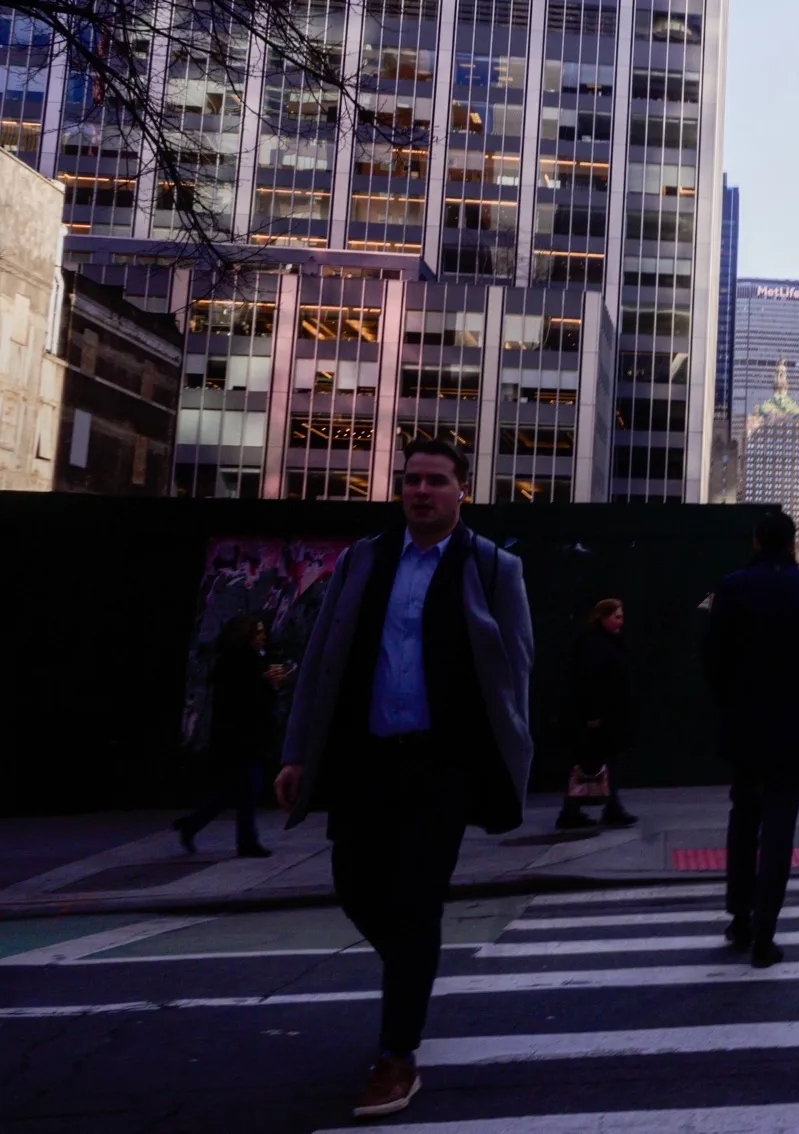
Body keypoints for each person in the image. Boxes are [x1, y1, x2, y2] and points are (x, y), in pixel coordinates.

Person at [273, 439, 533, 1121]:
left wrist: (512, 755)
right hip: (366, 761)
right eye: (412, 480)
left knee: (417, 901)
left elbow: (516, 670)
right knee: (356, 886)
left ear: (461, 491)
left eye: (437, 481)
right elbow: (323, 658)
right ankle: (410, 971)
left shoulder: (492, 566)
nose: (422, 491)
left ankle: (396, 1055)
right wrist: (297, 752)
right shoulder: (362, 560)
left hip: (441, 766)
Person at [700, 510, 799, 968]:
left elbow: (712, 657)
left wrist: (728, 700)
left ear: (758, 541)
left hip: (743, 722)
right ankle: (765, 932)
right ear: (793, 544)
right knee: (780, 829)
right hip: (790, 724)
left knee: (743, 818)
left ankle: (739, 917)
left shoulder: (732, 588)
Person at [174, 614, 284, 858]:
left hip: (244, 736)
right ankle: (245, 841)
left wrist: (270, 684)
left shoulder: (252, 661)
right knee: (247, 788)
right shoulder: (236, 664)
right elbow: (242, 702)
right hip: (238, 737)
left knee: (237, 791)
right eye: (257, 633)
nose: (262, 637)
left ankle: (193, 824)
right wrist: (266, 684)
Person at [556, 598, 637, 829]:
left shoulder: (606, 641)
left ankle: (602, 808)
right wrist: (592, 713)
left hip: (606, 714)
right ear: (603, 617)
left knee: (596, 763)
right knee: (589, 763)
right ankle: (575, 810)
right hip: (598, 716)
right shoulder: (594, 644)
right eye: (616, 617)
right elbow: (588, 680)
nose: (620, 621)